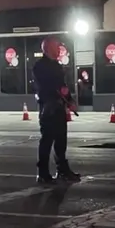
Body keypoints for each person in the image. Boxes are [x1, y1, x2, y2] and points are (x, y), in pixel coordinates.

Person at [30, 36, 81, 184]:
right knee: (47, 141)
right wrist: (58, 92)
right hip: (48, 108)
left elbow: (63, 86)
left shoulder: (57, 66)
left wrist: (69, 100)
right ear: (48, 48)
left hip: (59, 107)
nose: (59, 49)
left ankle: (62, 170)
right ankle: (43, 173)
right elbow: (43, 87)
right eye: (56, 47)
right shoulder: (40, 66)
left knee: (61, 141)